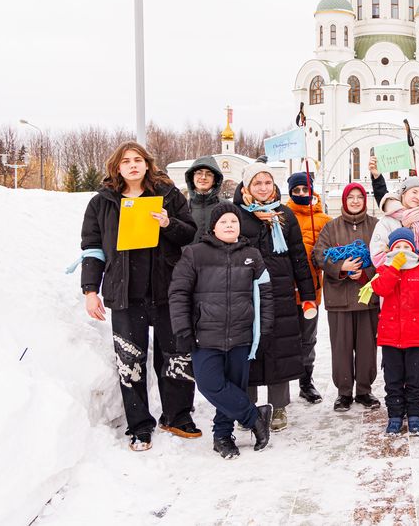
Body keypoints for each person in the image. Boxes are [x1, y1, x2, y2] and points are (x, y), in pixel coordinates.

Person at [78, 141, 198, 451]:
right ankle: (140, 426)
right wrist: (90, 291)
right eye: (126, 161)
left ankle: (177, 416)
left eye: (138, 160)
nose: (132, 165)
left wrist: (168, 223)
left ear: (147, 164)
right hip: (125, 294)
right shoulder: (102, 203)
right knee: (130, 359)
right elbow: (92, 248)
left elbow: (190, 233)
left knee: (175, 355)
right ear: (117, 168)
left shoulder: (168, 196)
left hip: (167, 290)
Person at [168, 202, 274, 459]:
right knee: (210, 384)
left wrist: (264, 329)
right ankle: (254, 417)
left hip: (241, 334)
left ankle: (222, 436)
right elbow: (178, 293)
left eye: (234, 221)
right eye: (223, 221)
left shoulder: (252, 255)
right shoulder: (195, 254)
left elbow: (266, 294)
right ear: (213, 227)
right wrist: (183, 329)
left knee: (234, 385)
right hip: (205, 334)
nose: (229, 225)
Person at [233, 163, 316, 431]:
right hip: (246, 291)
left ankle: (279, 406)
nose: (263, 188)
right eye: (257, 183)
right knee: (249, 349)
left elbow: (298, 257)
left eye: (267, 183)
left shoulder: (285, 215)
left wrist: (308, 294)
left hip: (280, 291)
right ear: (247, 186)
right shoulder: (237, 214)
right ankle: (248, 407)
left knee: (279, 348)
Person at [311, 183, 380, 413]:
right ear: (344, 200)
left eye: (359, 197)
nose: (355, 201)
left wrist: (366, 273)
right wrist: (341, 267)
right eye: (351, 197)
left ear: (365, 200)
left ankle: (364, 390)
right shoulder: (331, 227)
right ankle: (344, 392)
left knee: (367, 347)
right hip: (339, 299)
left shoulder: (375, 226)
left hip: (366, 298)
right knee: (341, 348)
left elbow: (385, 256)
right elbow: (319, 255)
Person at [372, 228, 419, 436]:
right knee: (392, 379)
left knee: (415, 379)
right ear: (391, 250)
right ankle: (395, 415)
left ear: (413, 249)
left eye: (406, 246)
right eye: (398, 247)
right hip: (390, 337)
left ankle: (414, 415)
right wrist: (394, 267)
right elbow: (381, 289)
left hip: (416, 337)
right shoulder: (384, 269)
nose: (402, 250)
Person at [285, 172, 332, 405]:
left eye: (305, 189)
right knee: (285, 338)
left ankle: (306, 382)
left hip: (311, 289)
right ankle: (282, 383)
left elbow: (331, 250)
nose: (301, 193)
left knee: (307, 338)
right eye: (297, 190)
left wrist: (321, 257)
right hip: (286, 287)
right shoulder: (282, 215)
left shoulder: (323, 219)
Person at [369, 176, 419, 273]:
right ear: (403, 193)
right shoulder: (386, 221)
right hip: (393, 277)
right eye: (414, 192)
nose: (418, 197)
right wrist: (405, 265)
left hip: (418, 278)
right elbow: (377, 256)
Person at [185, 155, 224, 240]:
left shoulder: (225, 207)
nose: (203, 177)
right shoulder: (183, 208)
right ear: (192, 178)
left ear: (214, 180)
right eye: (199, 173)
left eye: (209, 174)